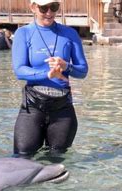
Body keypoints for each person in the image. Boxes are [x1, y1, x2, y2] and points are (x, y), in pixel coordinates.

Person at [12, 0, 88, 157]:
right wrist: (47, 74)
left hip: (62, 109)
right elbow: (19, 71)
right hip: (32, 107)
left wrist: (66, 66)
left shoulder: (70, 34)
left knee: (57, 159)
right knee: (22, 156)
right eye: (43, 8)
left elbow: (83, 71)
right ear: (33, 7)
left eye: (53, 7)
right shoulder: (24, 33)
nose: (49, 12)